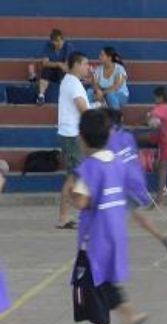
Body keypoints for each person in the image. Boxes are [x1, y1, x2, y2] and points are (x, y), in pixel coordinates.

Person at [70, 110, 148, 324]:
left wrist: (73, 191)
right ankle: (131, 316)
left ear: (82, 138)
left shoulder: (89, 168)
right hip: (114, 232)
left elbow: (82, 201)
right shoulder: (116, 162)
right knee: (106, 283)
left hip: (94, 239)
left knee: (90, 287)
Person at [105, 109, 167, 257]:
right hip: (136, 180)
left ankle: (110, 249)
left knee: (110, 217)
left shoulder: (106, 143)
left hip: (123, 185)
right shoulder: (126, 136)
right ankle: (162, 237)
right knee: (136, 214)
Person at [56, 52, 96, 230]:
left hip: (71, 134)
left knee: (76, 176)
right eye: (86, 64)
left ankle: (70, 214)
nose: (89, 68)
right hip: (72, 136)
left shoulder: (70, 82)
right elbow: (84, 111)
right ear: (77, 65)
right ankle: (64, 217)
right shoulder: (73, 84)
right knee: (73, 178)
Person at [35, 29, 73, 105]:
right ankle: (41, 96)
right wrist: (58, 64)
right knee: (46, 71)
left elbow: (66, 65)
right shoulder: (47, 46)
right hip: (51, 71)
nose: (59, 43)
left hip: (63, 72)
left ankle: (67, 96)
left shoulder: (68, 46)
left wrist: (58, 65)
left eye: (61, 40)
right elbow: (45, 63)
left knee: (62, 71)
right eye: (56, 41)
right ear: (52, 42)